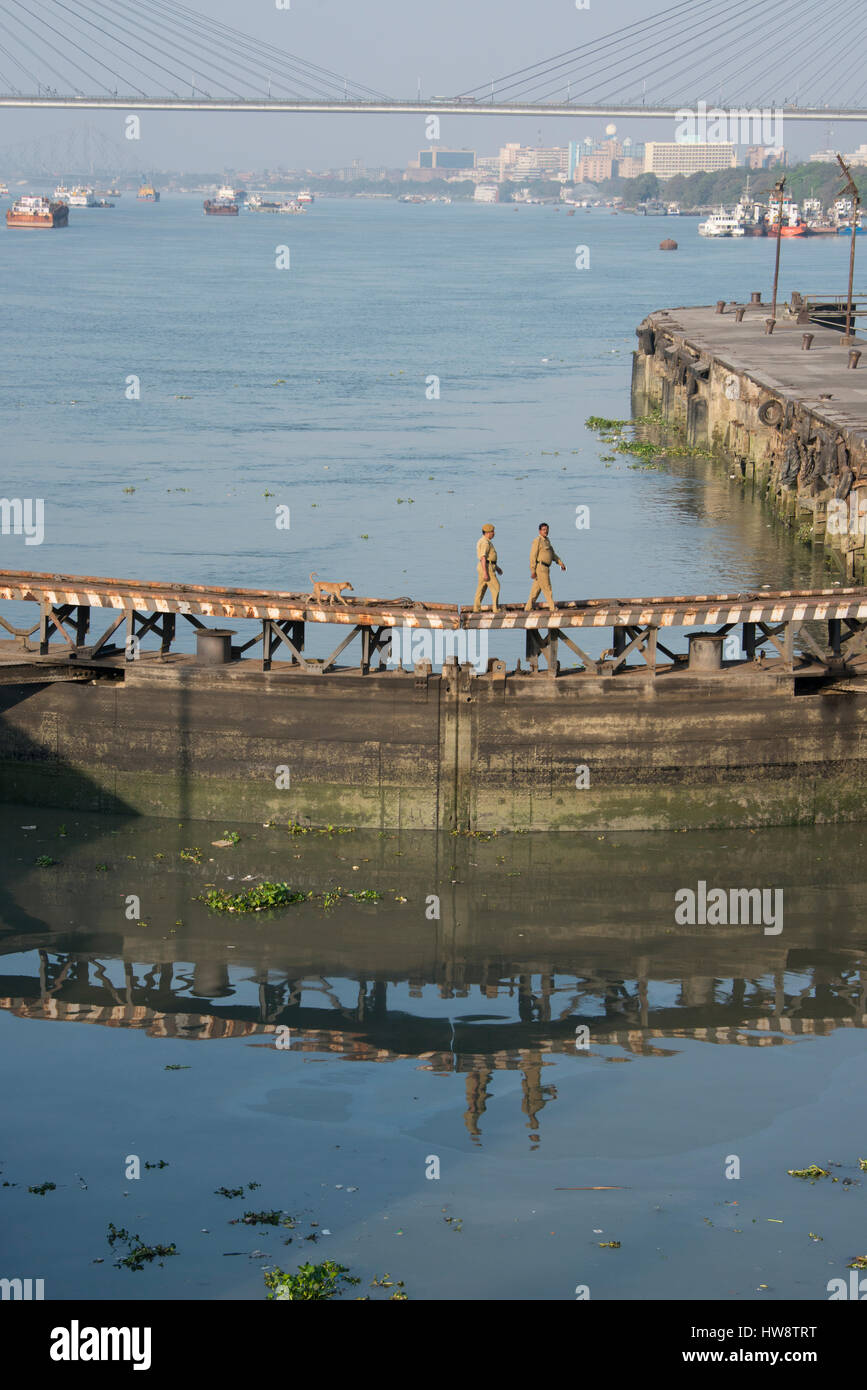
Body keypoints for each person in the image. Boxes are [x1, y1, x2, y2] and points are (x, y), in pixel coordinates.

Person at [525, 522, 566, 612]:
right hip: (540, 567)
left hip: (546, 568)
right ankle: (552, 608)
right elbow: (532, 556)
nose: (546, 531)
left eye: (547, 529)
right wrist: (532, 570)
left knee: (535, 591)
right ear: (539, 531)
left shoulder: (547, 541)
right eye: (543, 530)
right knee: (547, 588)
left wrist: (560, 563)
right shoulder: (537, 541)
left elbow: (553, 554)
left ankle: (528, 608)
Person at [473, 523, 502, 613]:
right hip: (486, 567)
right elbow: (483, 557)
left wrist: (497, 568)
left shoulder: (484, 541)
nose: (494, 533)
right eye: (492, 532)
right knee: (496, 587)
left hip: (486, 566)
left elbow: (489, 558)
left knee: (481, 588)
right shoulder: (485, 542)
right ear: (487, 532)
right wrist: (485, 572)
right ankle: (495, 608)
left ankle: (476, 608)